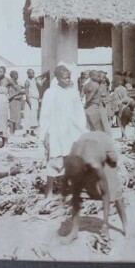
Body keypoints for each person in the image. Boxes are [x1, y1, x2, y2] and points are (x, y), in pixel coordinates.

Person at [61, 131, 128, 243]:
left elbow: (106, 195)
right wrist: (65, 193)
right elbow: (72, 193)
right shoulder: (70, 164)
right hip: (83, 140)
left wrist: (105, 224)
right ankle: (74, 231)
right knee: (76, 194)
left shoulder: (95, 164)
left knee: (114, 189)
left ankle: (125, 225)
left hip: (103, 143)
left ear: (85, 169)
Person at [38, 65, 88, 208]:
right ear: (57, 78)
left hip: (71, 132)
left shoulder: (73, 93)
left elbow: (79, 113)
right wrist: (45, 134)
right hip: (56, 132)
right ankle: (49, 192)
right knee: (54, 161)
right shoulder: (50, 93)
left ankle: (71, 190)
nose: (68, 80)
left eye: (69, 77)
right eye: (65, 78)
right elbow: (45, 115)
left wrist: (81, 131)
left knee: (72, 160)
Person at [7, 71, 26, 135]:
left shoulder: (15, 82)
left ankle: (14, 131)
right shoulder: (10, 83)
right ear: (13, 75)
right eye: (16, 75)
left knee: (16, 117)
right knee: (12, 117)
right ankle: (11, 132)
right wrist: (19, 92)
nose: (17, 76)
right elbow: (10, 95)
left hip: (17, 101)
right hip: (13, 101)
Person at [22, 69, 40, 135]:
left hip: (35, 100)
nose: (32, 74)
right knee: (28, 116)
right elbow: (26, 93)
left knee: (33, 116)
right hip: (30, 100)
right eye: (30, 73)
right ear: (28, 74)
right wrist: (30, 103)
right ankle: (27, 132)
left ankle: (32, 131)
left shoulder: (34, 80)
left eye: (33, 73)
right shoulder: (27, 81)